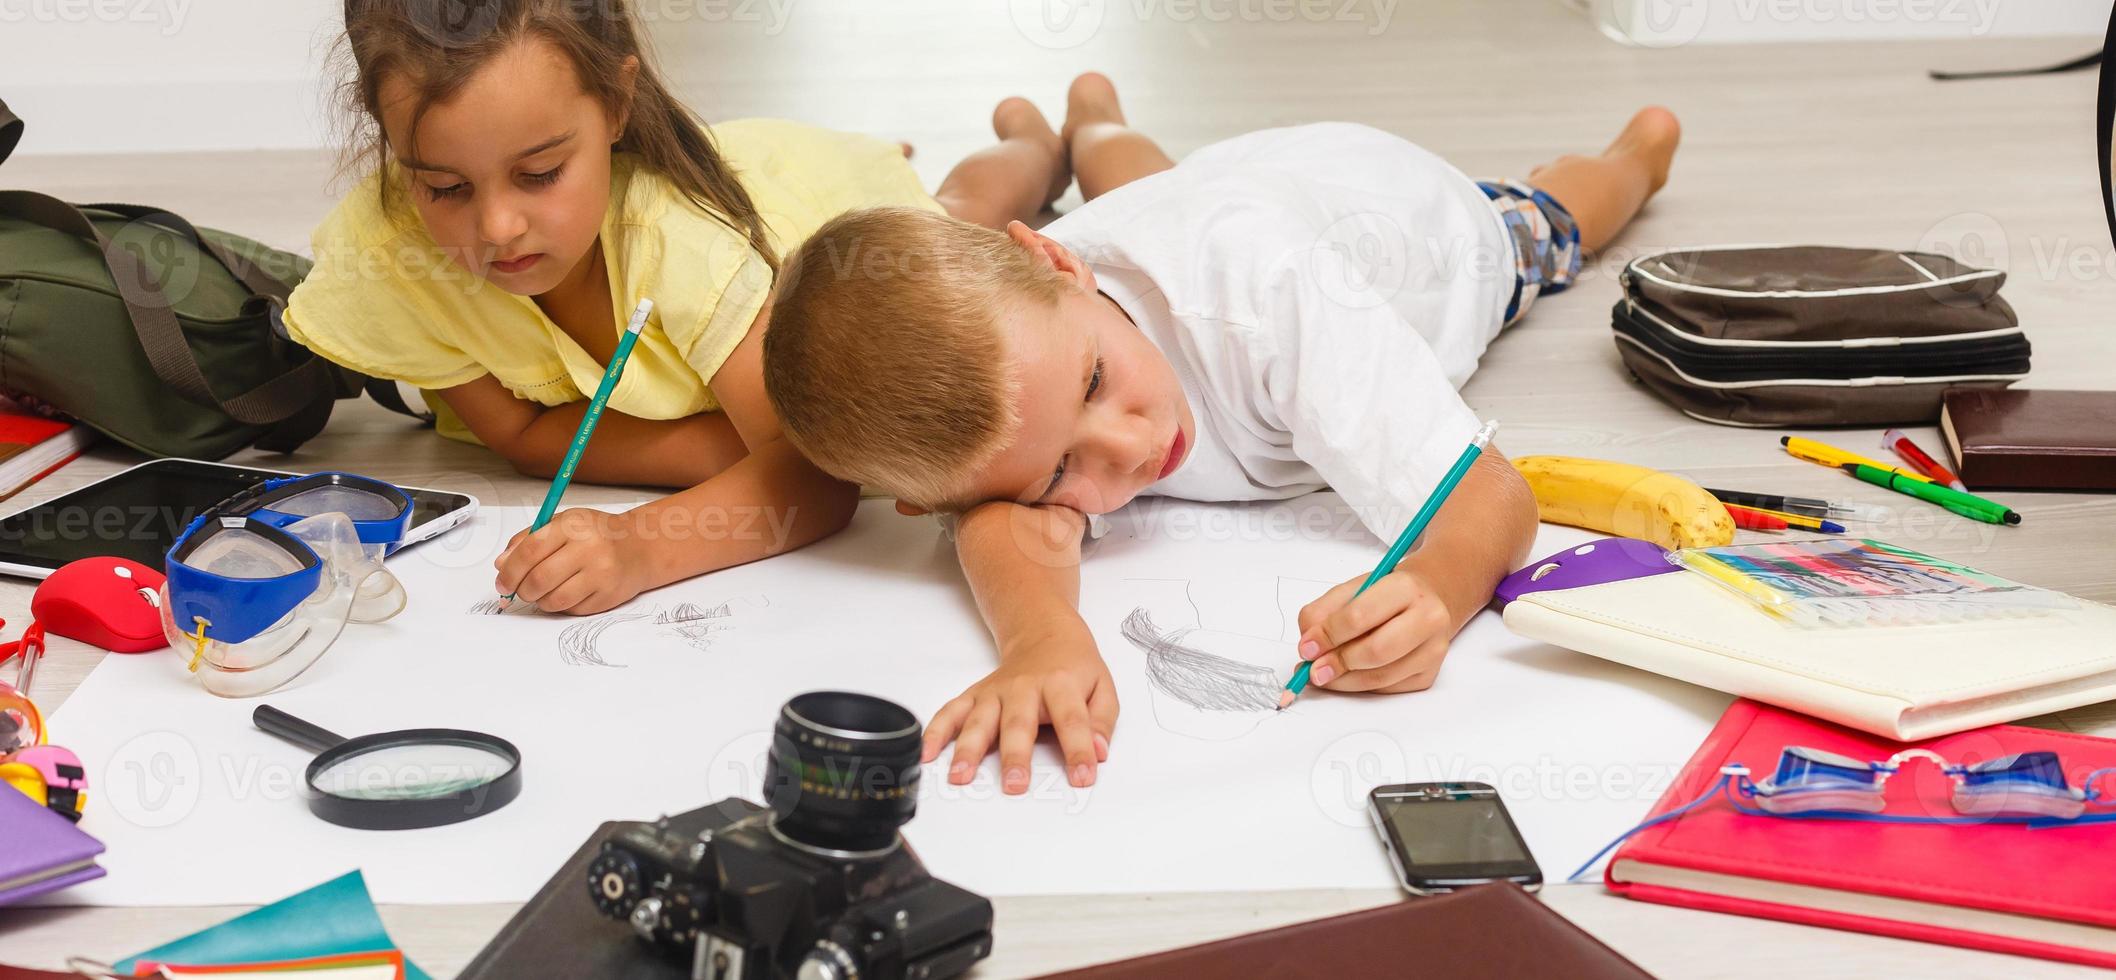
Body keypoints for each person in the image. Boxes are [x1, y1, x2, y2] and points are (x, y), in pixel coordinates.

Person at [763, 73, 1681, 793]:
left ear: (1056, 260)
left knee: (1558, 223)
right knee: (1155, 184)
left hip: (1414, 215)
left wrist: (1439, 586)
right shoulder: (1034, 367)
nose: (1126, 450)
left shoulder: (1271, 304)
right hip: (1205, 196)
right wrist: (1041, 641)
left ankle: (1636, 150)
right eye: (1059, 474)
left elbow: (1492, 492)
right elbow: (1002, 525)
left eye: (1095, 381)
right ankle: (1093, 116)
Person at [284, 0, 1078, 614]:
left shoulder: (681, 243)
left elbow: (818, 478)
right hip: (724, 311)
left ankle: (1036, 143)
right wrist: (735, 445)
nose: (496, 228)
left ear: (618, 105)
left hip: (821, 236)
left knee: (957, 208)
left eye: (540, 173)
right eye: (446, 187)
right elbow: (522, 439)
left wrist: (638, 548)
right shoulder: (393, 252)